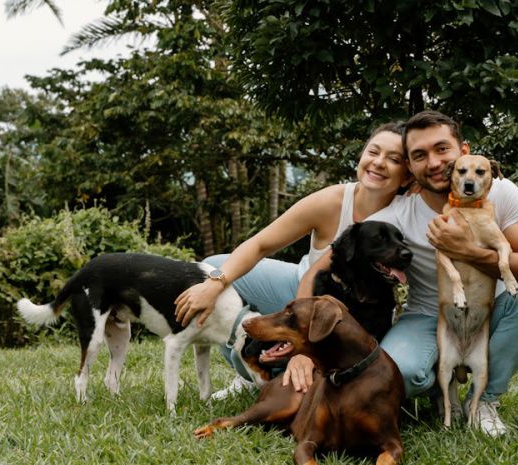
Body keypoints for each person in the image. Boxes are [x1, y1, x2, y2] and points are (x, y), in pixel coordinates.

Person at [296, 110, 518, 436]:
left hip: (489, 308)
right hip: (428, 316)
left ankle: (484, 403)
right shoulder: (399, 214)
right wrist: (304, 347)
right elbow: (325, 266)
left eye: (441, 149)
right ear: (410, 168)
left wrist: (469, 252)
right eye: (419, 156)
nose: (433, 163)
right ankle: (438, 388)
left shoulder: (500, 192)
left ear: (463, 150)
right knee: (399, 375)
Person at [173, 121, 413, 398]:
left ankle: (296, 374)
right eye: (373, 152)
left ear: (407, 176)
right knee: (213, 266)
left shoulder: (407, 211)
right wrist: (215, 282)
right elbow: (261, 243)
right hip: (304, 288)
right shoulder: (331, 201)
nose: (379, 163)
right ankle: (250, 372)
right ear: (361, 155)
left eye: (394, 159)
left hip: (362, 312)